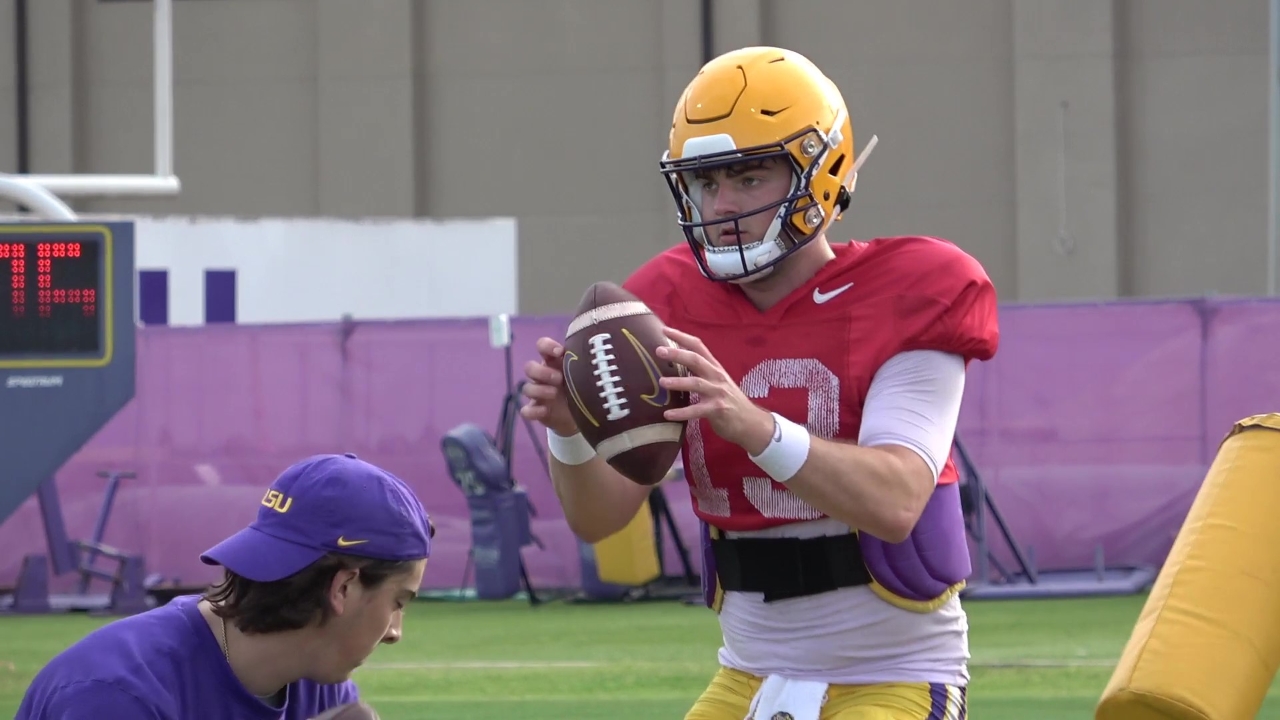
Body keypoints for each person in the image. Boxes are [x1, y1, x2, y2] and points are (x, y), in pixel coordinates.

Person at [521, 46, 998, 720]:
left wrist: (752, 425)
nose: (722, 205)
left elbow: (897, 502)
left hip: (891, 671)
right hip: (747, 673)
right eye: (706, 183)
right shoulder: (662, 299)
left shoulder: (915, 287)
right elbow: (599, 518)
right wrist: (568, 434)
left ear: (821, 169)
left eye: (748, 179)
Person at [16, 452, 434, 720]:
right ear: (343, 588)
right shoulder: (114, 695)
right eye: (398, 601)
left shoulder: (317, 686)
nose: (395, 631)